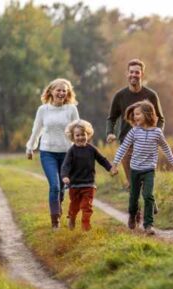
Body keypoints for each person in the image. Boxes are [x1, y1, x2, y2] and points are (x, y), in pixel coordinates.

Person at [106, 58, 165, 218]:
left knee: (146, 178)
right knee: (133, 182)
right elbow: (111, 118)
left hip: (147, 143)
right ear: (127, 74)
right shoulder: (120, 96)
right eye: (131, 72)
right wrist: (110, 132)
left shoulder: (151, 95)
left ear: (142, 74)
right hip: (127, 143)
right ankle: (136, 212)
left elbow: (160, 118)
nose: (134, 75)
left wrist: (156, 134)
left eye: (137, 72)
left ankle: (148, 203)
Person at [111, 100, 173, 235]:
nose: (135, 117)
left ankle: (148, 225)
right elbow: (123, 148)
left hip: (149, 169)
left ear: (147, 114)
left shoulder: (157, 132)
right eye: (134, 114)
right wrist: (114, 164)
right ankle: (132, 215)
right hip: (135, 169)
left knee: (148, 195)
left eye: (138, 114)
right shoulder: (134, 132)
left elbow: (165, 147)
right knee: (133, 198)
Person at [26, 78, 79, 229]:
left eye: (64, 90)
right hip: (47, 152)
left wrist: (80, 149)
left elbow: (78, 129)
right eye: (58, 90)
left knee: (62, 187)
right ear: (51, 91)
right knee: (54, 185)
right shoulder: (43, 110)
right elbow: (36, 130)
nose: (61, 93)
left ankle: (58, 205)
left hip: (67, 154)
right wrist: (30, 147)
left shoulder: (71, 109)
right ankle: (55, 221)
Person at [61, 119, 117, 231]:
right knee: (75, 206)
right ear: (73, 137)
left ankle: (85, 226)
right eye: (77, 135)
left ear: (88, 135)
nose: (80, 137)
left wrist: (110, 168)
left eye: (83, 135)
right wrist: (65, 176)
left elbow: (102, 160)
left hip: (89, 184)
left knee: (86, 206)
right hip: (75, 185)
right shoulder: (71, 151)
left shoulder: (91, 149)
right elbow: (65, 165)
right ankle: (72, 218)